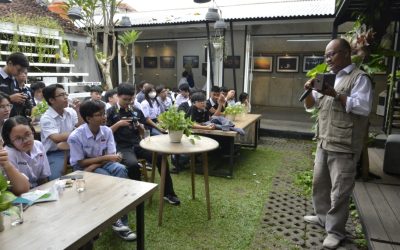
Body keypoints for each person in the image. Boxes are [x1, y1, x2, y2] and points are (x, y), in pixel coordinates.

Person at [302, 38, 372, 249]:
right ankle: (323, 218)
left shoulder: (359, 78)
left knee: (340, 191)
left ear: (346, 53)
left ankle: (335, 232)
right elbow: (310, 105)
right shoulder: (328, 77)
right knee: (320, 185)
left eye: (331, 54)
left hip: (344, 145)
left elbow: (363, 108)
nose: (328, 59)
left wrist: (337, 95)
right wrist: (308, 90)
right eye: (326, 55)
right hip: (324, 141)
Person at [67, 100, 136, 241]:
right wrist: (102, 160)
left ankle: (120, 221)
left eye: (104, 113)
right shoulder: (75, 136)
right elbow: (80, 162)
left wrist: (96, 163)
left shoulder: (106, 131)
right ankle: (114, 220)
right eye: (99, 114)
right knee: (106, 179)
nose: (104, 117)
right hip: (82, 169)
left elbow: (113, 158)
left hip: (98, 164)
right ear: (88, 118)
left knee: (121, 169)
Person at [106, 83, 180, 205]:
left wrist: (140, 128)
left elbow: (143, 132)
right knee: (133, 165)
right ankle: (137, 195)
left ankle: (168, 193)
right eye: (125, 99)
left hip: (138, 144)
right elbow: (105, 133)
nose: (129, 102)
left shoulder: (136, 110)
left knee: (161, 157)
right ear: (118, 96)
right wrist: (118, 124)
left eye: (131, 99)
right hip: (121, 146)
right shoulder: (110, 112)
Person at [40, 84, 82, 180]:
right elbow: (56, 138)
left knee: (88, 168)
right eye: (62, 95)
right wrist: (79, 132)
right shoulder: (46, 117)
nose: (66, 97)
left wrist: (78, 110)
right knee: (56, 178)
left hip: (72, 148)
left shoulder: (71, 111)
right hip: (54, 152)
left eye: (66, 94)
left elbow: (80, 126)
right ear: (51, 100)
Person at [3, 116, 51, 188]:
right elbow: (13, 188)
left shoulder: (38, 145)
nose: (25, 140)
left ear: (32, 131)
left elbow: (44, 177)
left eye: (27, 134)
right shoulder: (8, 154)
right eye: (18, 138)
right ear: (9, 141)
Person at [0, 52, 30, 117]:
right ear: (10, 64)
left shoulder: (14, 78)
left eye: (22, 71)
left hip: (14, 121)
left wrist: (31, 107)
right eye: (19, 70)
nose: (20, 73)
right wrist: (9, 98)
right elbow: (11, 98)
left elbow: (21, 97)